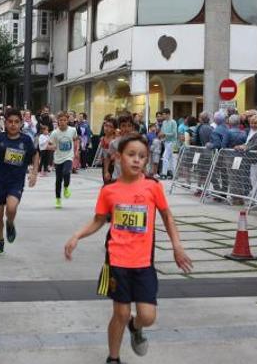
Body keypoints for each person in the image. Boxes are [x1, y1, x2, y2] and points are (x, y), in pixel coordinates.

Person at [64, 133, 193, 364]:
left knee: (148, 316)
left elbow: (167, 216)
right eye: (131, 154)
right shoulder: (109, 190)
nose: (137, 160)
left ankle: (136, 327)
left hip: (143, 263)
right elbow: (99, 220)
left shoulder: (153, 187)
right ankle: (113, 358)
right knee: (120, 313)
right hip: (117, 261)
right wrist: (77, 235)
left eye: (142, 156)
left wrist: (177, 246)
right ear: (118, 157)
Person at [0, 109, 39, 255]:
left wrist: (34, 173)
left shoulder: (26, 140)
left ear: (21, 123)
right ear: (5, 123)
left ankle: (10, 223)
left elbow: (35, 155)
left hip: (16, 181)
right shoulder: (0, 138)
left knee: (12, 208)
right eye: (10, 122)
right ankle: (0, 239)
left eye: (16, 122)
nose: (13, 125)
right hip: (0, 181)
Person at [48, 111, 79, 209]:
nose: (62, 122)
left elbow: (76, 139)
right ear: (57, 121)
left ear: (67, 120)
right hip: (58, 158)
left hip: (68, 156)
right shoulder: (54, 133)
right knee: (58, 180)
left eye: (64, 120)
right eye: (60, 120)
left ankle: (66, 187)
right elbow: (49, 145)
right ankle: (58, 199)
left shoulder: (72, 130)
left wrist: (77, 150)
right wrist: (53, 146)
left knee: (66, 172)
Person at [159, 108, 177, 179]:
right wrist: (161, 137)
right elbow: (162, 131)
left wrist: (165, 134)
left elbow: (174, 133)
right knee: (169, 158)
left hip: (173, 142)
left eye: (164, 114)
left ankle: (164, 173)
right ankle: (171, 173)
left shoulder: (173, 122)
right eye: (163, 115)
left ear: (168, 114)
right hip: (166, 142)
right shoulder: (164, 122)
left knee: (167, 157)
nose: (163, 116)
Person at [100, 118, 116, 183]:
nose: (107, 128)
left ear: (114, 129)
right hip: (105, 164)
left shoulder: (116, 139)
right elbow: (102, 151)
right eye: (106, 126)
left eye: (110, 127)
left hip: (114, 164)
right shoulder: (102, 139)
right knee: (106, 181)